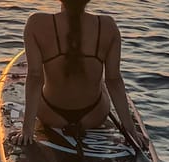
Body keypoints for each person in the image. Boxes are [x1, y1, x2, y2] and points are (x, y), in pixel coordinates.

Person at [10, 0, 142, 145]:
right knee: (102, 82)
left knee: (40, 77)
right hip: (94, 116)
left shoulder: (36, 23)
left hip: (51, 114)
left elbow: (35, 77)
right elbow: (114, 80)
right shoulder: (108, 26)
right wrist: (130, 130)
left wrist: (27, 130)